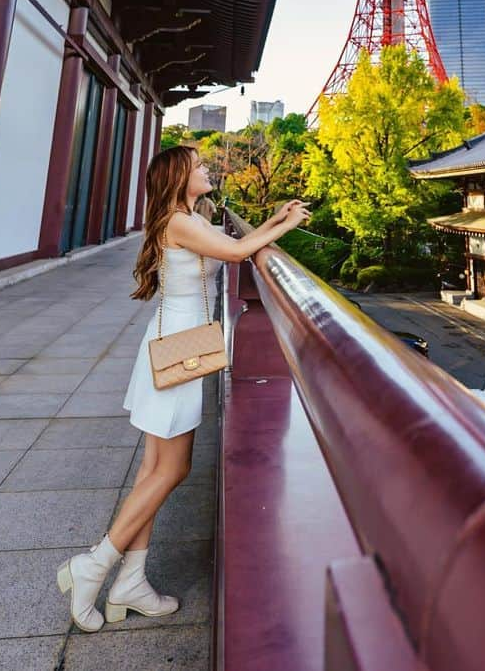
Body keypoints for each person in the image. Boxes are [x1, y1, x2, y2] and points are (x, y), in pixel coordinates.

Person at [56, 143, 309, 632]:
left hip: (181, 339)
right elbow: (237, 252)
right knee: (172, 468)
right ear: (179, 177)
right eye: (199, 166)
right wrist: (287, 226)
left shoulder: (189, 218)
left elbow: (231, 241)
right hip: (181, 344)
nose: (207, 168)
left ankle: (130, 582)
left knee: (154, 468)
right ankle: (94, 565)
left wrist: (275, 219)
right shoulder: (177, 220)